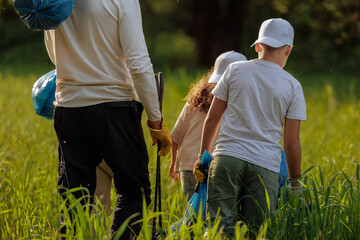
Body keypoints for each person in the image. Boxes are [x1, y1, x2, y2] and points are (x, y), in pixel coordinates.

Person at [43, 0, 172, 239]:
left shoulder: (56, 0)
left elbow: (54, 56)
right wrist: (155, 120)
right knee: (135, 193)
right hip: (114, 106)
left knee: (74, 201)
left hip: (68, 108)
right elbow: (139, 62)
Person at [194, 18, 307, 237]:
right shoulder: (293, 86)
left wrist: (202, 157)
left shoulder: (235, 70)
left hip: (227, 158)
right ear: (289, 50)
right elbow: (291, 142)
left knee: (219, 230)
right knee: (255, 231)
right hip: (265, 167)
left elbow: (212, 118)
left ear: (257, 46)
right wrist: (295, 181)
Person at [169, 51, 247, 199]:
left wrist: (174, 163)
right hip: (217, 167)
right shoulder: (237, 102)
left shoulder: (194, 100)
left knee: (193, 217)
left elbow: (175, 136)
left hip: (188, 166)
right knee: (214, 216)